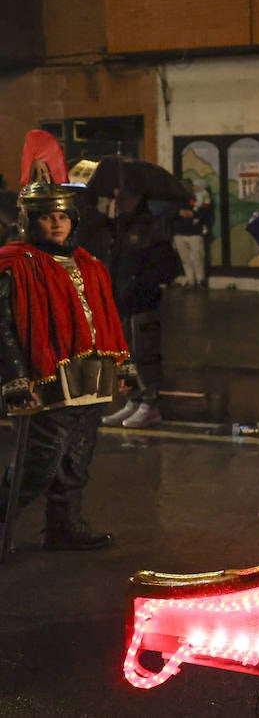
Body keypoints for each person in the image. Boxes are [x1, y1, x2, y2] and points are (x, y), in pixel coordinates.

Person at [0, 178, 129, 550]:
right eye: (46, 217)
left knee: (75, 461)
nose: (56, 223)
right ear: (30, 221)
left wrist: (123, 366)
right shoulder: (15, 265)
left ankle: (64, 526)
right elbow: (3, 328)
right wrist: (15, 380)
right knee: (37, 466)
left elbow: (107, 317)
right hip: (46, 379)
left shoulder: (90, 264)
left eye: (62, 216)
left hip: (93, 375)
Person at [100, 188, 182, 430]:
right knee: (126, 356)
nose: (118, 201)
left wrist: (140, 282)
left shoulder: (151, 227)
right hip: (121, 302)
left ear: (137, 198)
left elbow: (168, 267)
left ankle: (150, 405)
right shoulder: (117, 227)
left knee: (145, 353)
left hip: (143, 302)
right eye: (115, 196)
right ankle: (133, 399)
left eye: (123, 196)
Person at [170, 191, 209, 287]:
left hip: (193, 232)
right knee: (186, 258)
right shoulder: (175, 201)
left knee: (196, 257)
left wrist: (187, 213)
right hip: (180, 232)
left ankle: (200, 279)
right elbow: (171, 212)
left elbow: (201, 211)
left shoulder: (197, 199)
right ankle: (191, 280)